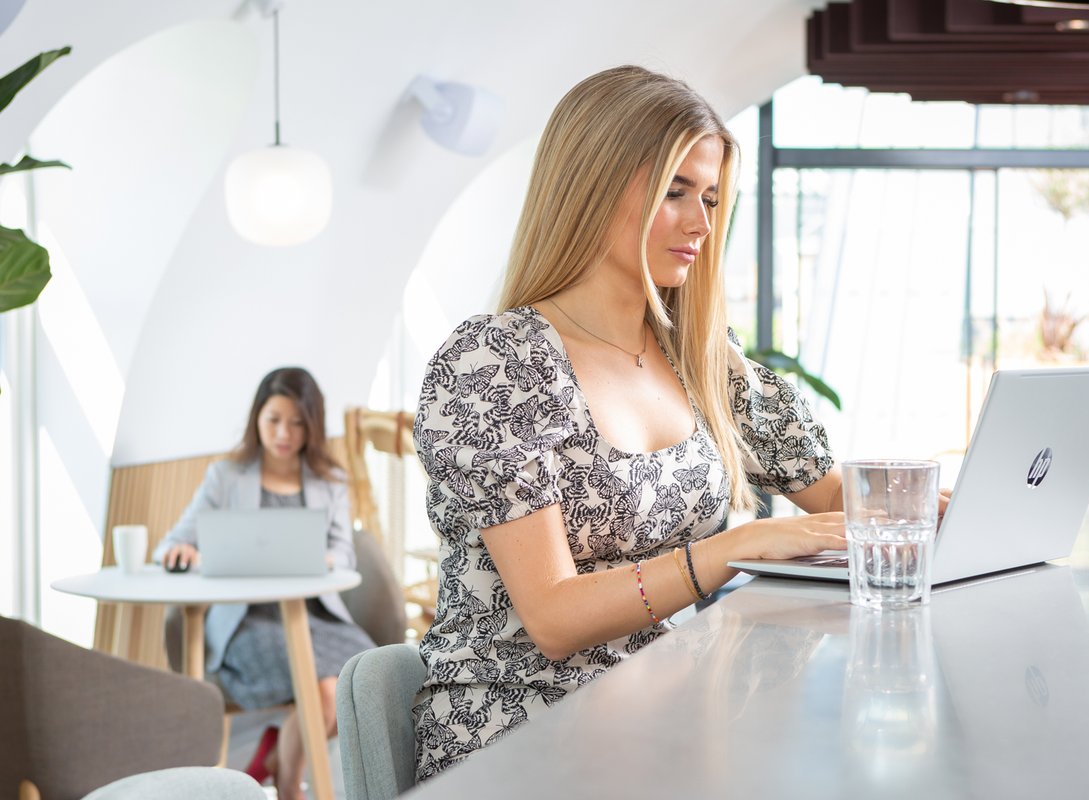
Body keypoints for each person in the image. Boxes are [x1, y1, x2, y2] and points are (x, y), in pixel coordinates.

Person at [410, 64, 855, 780]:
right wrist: (736, 548)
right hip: (519, 732)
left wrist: (918, 507)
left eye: (710, 197)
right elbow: (552, 619)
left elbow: (830, 498)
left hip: (660, 713)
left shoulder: (702, 361)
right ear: (590, 182)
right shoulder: (495, 361)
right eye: (675, 191)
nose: (701, 222)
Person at [153, 366, 373, 800]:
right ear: (257, 418)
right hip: (248, 622)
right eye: (273, 419)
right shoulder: (226, 476)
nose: (283, 433)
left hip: (313, 614)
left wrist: (322, 557)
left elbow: (345, 552)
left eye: (296, 422)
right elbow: (172, 542)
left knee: (351, 680)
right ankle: (291, 786)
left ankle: (278, 764)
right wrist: (183, 553)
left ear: (312, 425)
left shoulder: (330, 481)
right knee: (324, 692)